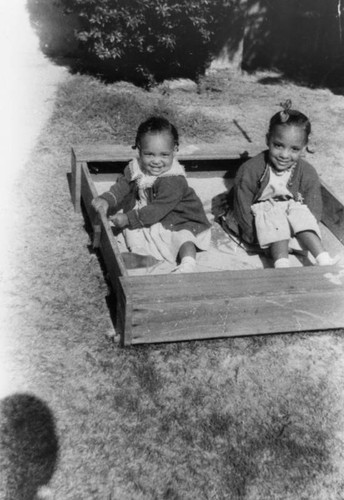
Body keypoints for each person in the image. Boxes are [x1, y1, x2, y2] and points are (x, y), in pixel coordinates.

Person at [92, 116, 211, 273]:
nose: (156, 161)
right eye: (149, 154)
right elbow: (122, 186)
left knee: (183, 237)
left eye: (164, 155)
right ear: (139, 149)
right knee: (132, 232)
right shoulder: (136, 168)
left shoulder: (173, 180)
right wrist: (107, 199)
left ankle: (188, 263)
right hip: (149, 213)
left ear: (174, 150)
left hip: (178, 217)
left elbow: (158, 209)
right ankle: (142, 257)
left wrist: (129, 218)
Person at [231, 100, 335, 268]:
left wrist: (304, 226)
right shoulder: (250, 170)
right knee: (275, 220)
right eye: (278, 146)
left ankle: (324, 258)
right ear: (267, 140)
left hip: (293, 214)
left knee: (300, 213)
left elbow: (314, 206)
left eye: (294, 149)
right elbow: (242, 206)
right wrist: (253, 235)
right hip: (265, 215)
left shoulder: (307, 172)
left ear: (303, 147)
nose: (284, 155)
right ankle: (282, 264)